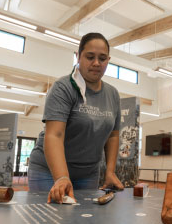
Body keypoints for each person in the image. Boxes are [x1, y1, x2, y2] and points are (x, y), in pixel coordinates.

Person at [28, 32, 124, 203]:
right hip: (49, 171)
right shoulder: (63, 88)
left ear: (108, 60)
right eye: (90, 57)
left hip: (87, 174)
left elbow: (113, 136)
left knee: (84, 222)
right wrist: (62, 177)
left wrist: (110, 172)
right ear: (78, 56)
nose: (96, 63)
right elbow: (54, 135)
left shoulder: (113, 94)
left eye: (102, 58)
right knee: (51, 222)